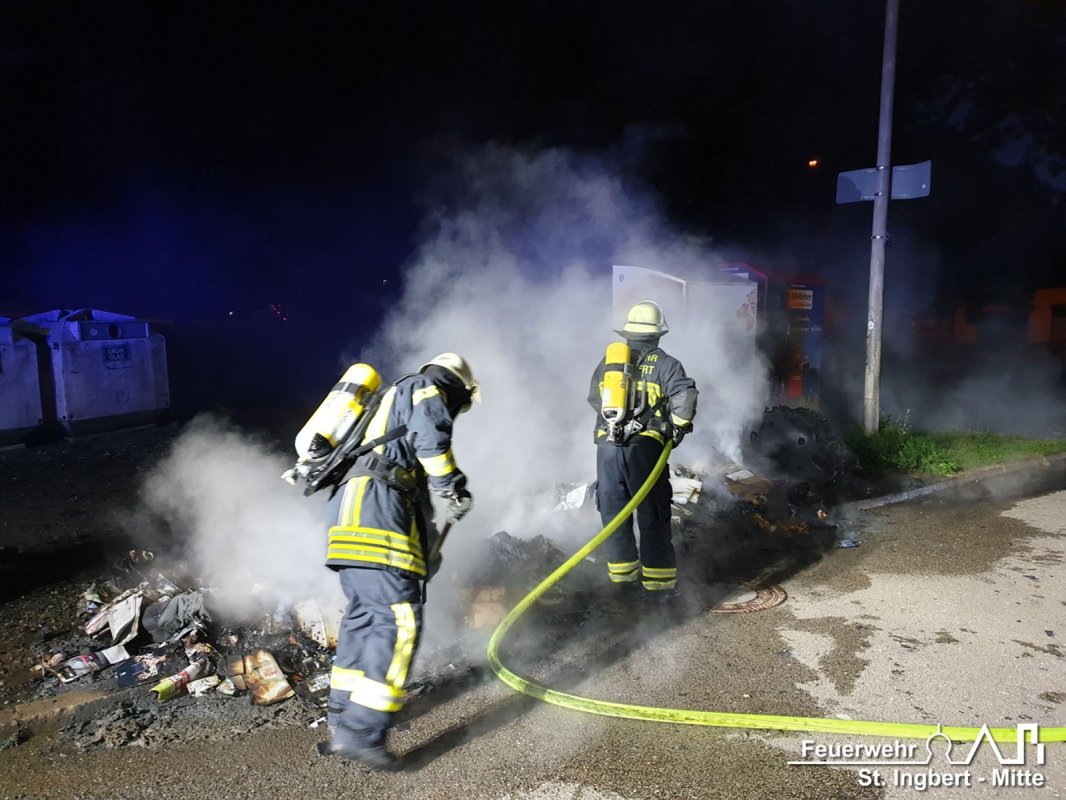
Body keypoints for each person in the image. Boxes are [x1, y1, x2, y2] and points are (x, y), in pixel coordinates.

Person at [323, 352, 479, 770]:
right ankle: (361, 733)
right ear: (457, 388)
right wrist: (453, 487)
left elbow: (413, 493)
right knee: (400, 622)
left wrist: (426, 555)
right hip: (376, 512)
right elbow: (432, 445)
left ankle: (340, 721)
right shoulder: (423, 388)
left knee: (364, 619)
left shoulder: (390, 411)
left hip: (349, 513)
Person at [588, 301, 697, 601]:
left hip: (607, 449)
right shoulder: (667, 364)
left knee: (614, 513)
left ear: (627, 334)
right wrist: (676, 428)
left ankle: (621, 582)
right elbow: (685, 398)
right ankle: (658, 589)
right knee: (653, 514)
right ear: (658, 335)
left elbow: (594, 398)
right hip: (645, 450)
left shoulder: (608, 364)